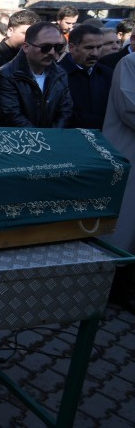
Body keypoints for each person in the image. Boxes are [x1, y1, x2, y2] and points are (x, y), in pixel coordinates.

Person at [101, 53, 135, 310]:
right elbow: (129, 109)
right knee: (124, 226)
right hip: (129, 153)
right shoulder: (130, 63)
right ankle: (115, 287)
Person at [0, 22, 73, 128]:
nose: (52, 52)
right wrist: (41, 136)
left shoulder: (60, 74)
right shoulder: (6, 75)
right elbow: (12, 116)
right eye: (45, 47)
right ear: (26, 47)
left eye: (57, 47)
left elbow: (65, 111)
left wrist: (54, 134)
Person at [59, 24, 112, 129]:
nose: (95, 53)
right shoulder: (56, 75)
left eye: (99, 47)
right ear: (72, 47)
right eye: (89, 48)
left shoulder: (108, 73)